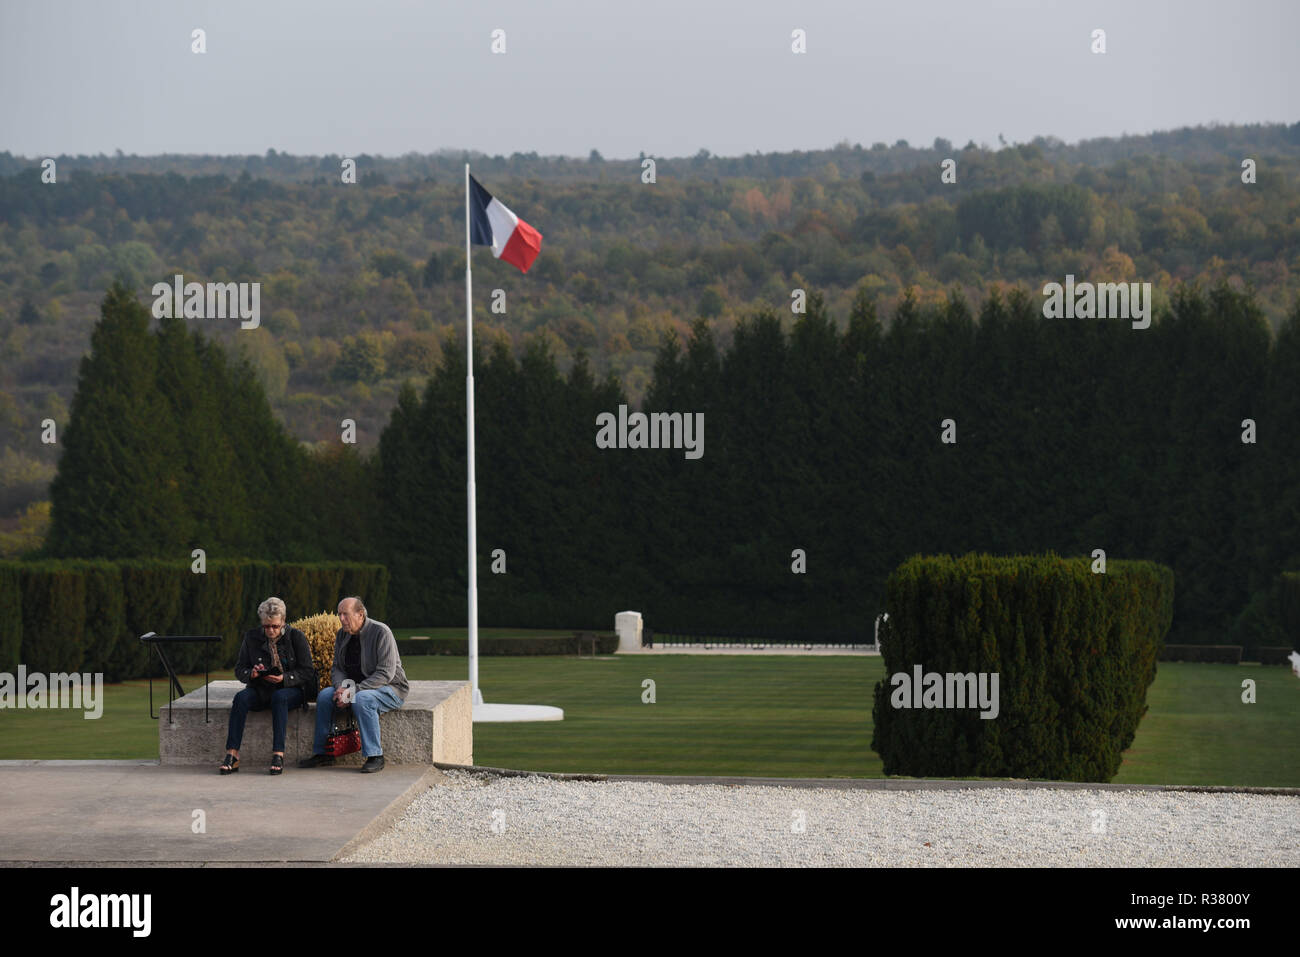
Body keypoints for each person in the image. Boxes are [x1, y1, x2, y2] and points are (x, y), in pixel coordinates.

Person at [300, 596, 408, 773]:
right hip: (355, 688)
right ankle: (323, 753)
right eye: (339, 614)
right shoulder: (342, 634)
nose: (341, 619)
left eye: (345, 614)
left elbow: (385, 673)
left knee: (363, 699)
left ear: (360, 614)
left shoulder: (381, 632)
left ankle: (375, 755)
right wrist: (341, 688)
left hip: (390, 688)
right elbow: (337, 667)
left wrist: (352, 692)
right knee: (325, 696)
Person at [221, 597, 316, 775]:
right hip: (261, 689)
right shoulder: (251, 637)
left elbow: (307, 671)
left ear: (283, 622)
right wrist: (252, 673)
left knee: (279, 698)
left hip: (291, 690)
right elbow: (239, 669)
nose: (270, 630)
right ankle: (232, 754)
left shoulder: (296, 637)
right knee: (240, 698)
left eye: (275, 626)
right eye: (266, 626)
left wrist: (284, 678)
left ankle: (278, 754)